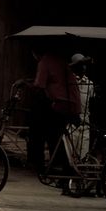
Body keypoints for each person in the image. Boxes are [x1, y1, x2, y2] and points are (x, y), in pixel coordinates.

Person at [26, 43, 81, 181]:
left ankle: (39, 163)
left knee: (36, 129)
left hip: (60, 103)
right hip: (70, 103)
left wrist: (25, 84)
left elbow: (39, 85)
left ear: (35, 53)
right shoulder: (58, 59)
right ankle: (60, 165)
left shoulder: (44, 61)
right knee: (54, 134)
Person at [69, 53, 95, 158]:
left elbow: (91, 104)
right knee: (70, 156)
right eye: (81, 65)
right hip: (72, 124)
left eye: (85, 65)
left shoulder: (90, 84)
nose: (83, 67)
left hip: (85, 124)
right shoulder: (70, 82)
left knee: (83, 157)